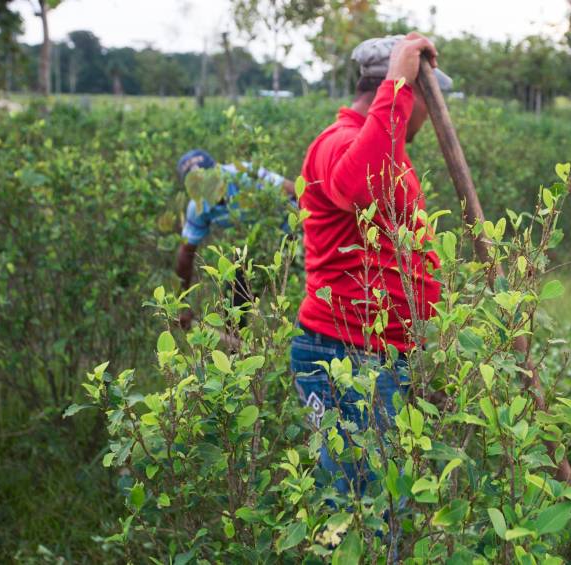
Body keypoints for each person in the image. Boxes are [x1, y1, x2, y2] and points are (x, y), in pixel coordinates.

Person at [291, 33, 452, 496]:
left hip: (382, 356)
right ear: (402, 91)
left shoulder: (383, 152)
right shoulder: (335, 143)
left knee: (383, 501)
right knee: (363, 505)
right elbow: (361, 187)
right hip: (345, 354)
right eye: (426, 96)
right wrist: (400, 85)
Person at [174, 149, 296, 329]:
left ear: (217, 170)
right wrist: (183, 304)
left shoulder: (244, 175)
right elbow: (186, 253)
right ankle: (240, 352)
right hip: (255, 247)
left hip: (292, 232)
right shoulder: (198, 207)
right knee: (233, 307)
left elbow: (293, 190)